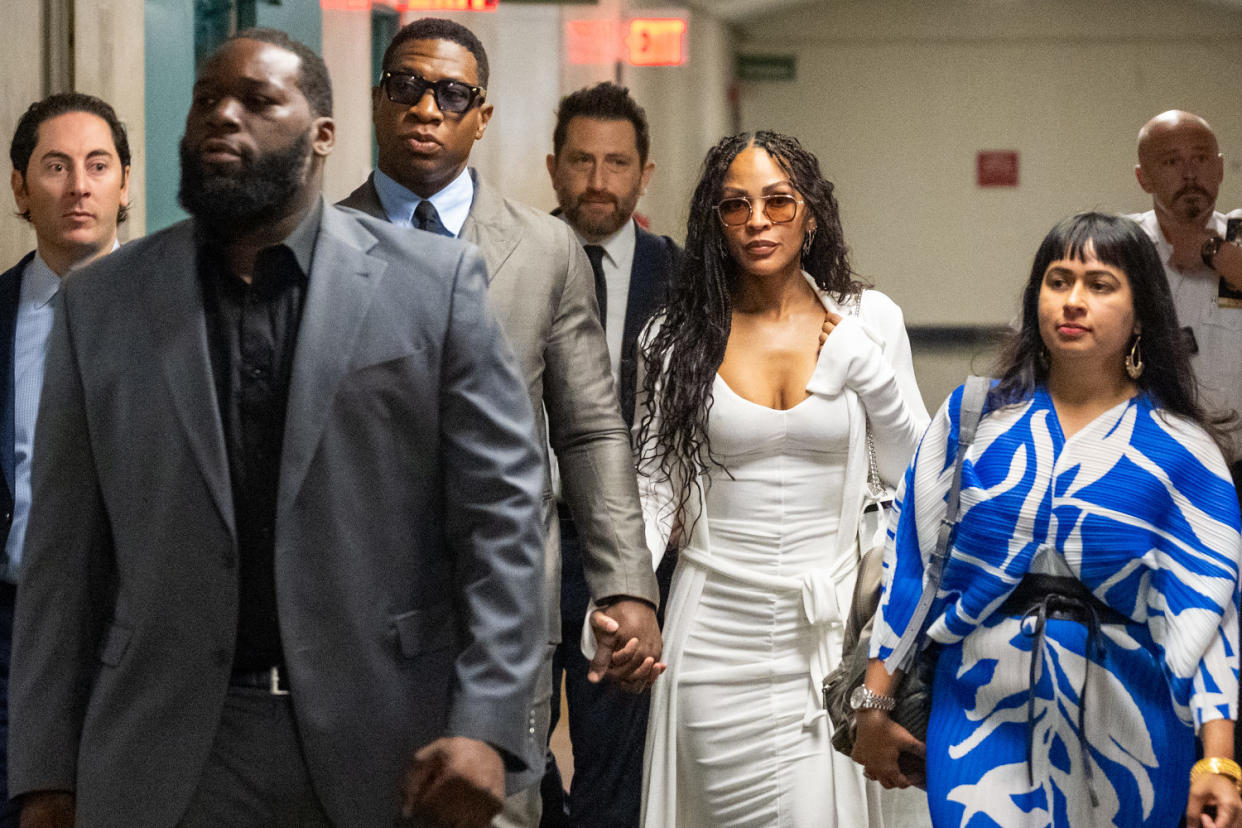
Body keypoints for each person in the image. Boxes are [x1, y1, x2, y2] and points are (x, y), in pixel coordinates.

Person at [8, 29, 547, 828]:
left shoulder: (432, 290)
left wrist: (488, 723)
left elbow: (502, 521)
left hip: (383, 738)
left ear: (323, 134)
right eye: (206, 103)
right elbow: (62, 560)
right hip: (164, 748)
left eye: (258, 101)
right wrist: (45, 772)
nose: (224, 117)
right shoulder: (105, 305)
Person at [339, 19, 662, 826]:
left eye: (451, 94)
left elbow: (589, 430)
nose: (425, 109)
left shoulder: (546, 249)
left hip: (504, 597)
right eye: (405, 87)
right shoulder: (320, 247)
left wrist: (626, 582)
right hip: (357, 599)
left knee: (499, 809)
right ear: (379, 99)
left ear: (482, 116)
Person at [856, 212, 1242, 828]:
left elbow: (1213, 614)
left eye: (1100, 284)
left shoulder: (1179, 448)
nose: (1074, 300)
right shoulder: (975, 417)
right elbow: (912, 565)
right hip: (978, 712)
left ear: (1141, 311)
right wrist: (872, 707)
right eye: (1058, 280)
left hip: (1134, 725)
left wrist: (1218, 764)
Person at [634, 130, 930, 826]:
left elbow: (916, 475)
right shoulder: (674, 340)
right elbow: (653, 486)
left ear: (811, 213)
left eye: (777, 201)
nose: (758, 221)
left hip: (823, 636)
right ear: (715, 222)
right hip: (711, 631)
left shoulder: (867, 320)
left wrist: (873, 379)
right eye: (735, 206)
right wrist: (627, 595)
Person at [542, 81, 680, 827]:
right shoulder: (516, 260)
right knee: (513, 748)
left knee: (617, 759)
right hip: (525, 537)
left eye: (617, 163)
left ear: (645, 173)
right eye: (582, 161)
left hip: (632, 548)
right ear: (553, 168)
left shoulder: (686, 280)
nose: (599, 181)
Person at [0, 91, 130, 827]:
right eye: (54, 166)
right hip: (9, 624)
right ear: (21, 188)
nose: (78, 186)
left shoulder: (179, 314)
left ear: (125, 184)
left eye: (97, 165)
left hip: (133, 632)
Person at [1128, 111, 1242, 460]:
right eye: (1172, 161)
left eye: (1201, 159)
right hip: (1150, 462)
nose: (1190, 174)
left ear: (1220, 168)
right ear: (1143, 178)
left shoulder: (1238, 234)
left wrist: (1213, 253)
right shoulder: (1121, 246)